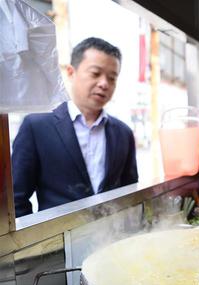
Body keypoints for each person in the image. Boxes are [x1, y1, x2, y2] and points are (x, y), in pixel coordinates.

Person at [12, 37, 138, 217]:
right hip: (57, 241)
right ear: (71, 72)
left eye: (112, 78)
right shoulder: (37, 126)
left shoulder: (123, 133)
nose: (104, 84)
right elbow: (17, 200)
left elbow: (130, 194)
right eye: (95, 73)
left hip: (111, 238)